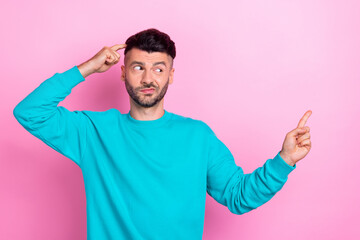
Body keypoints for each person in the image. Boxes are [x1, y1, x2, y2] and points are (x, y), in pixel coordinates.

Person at [13, 28, 312, 239]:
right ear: (122, 71)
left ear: (171, 74)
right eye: (138, 67)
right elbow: (30, 112)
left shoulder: (198, 136)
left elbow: (238, 196)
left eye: (158, 69)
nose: (147, 78)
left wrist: (283, 161)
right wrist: (87, 68)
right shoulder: (94, 132)